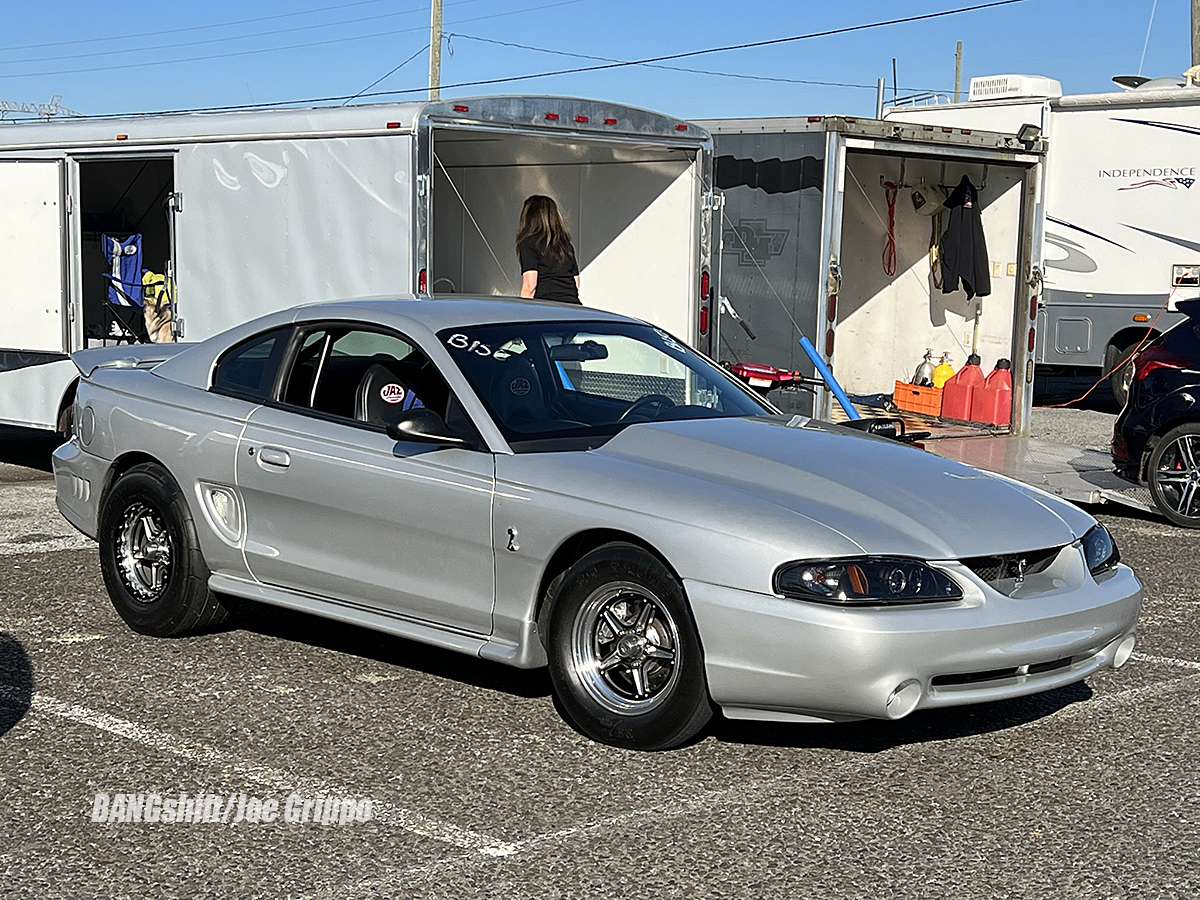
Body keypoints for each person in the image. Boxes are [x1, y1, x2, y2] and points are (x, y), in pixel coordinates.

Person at [516, 195, 581, 304]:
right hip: (573, 307)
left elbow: (530, 285)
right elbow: (576, 282)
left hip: (547, 308)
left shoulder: (528, 244)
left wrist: (522, 312)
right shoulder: (565, 245)